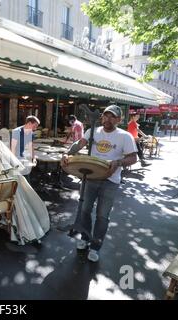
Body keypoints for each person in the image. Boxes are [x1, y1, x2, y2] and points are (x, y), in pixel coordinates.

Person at [61, 105, 137, 262]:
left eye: (112, 116)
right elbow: (79, 144)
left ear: (119, 119)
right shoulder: (93, 131)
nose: (107, 119)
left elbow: (133, 158)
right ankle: (85, 238)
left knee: (102, 216)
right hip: (91, 178)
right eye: (105, 116)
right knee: (84, 210)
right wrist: (67, 153)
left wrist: (119, 162)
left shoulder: (125, 136)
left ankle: (96, 246)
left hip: (110, 181)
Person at [11, 115, 40, 182]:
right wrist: (14, 162)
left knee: (26, 179)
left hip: (24, 159)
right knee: (18, 181)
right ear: (29, 123)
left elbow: (31, 146)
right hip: (16, 159)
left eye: (36, 127)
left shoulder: (31, 133)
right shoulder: (16, 132)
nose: (35, 129)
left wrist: (34, 158)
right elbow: (12, 148)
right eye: (34, 126)